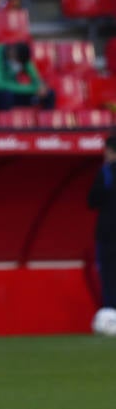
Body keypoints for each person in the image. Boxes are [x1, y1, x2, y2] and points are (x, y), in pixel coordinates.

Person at [0, 42, 56, 112]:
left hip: (11, 93)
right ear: (12, 52)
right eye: (17, 61)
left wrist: (40, 86)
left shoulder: (21, 57)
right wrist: (32, 88)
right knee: (5, 96)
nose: (18, 65)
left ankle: (46, 125)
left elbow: (35, 77)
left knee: (49, 94)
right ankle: (4, 127)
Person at [86, 134, 116, 325]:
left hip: (107, 233)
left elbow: (92, 201)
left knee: (108, 278)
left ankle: (111, 319)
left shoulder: (106, 172)